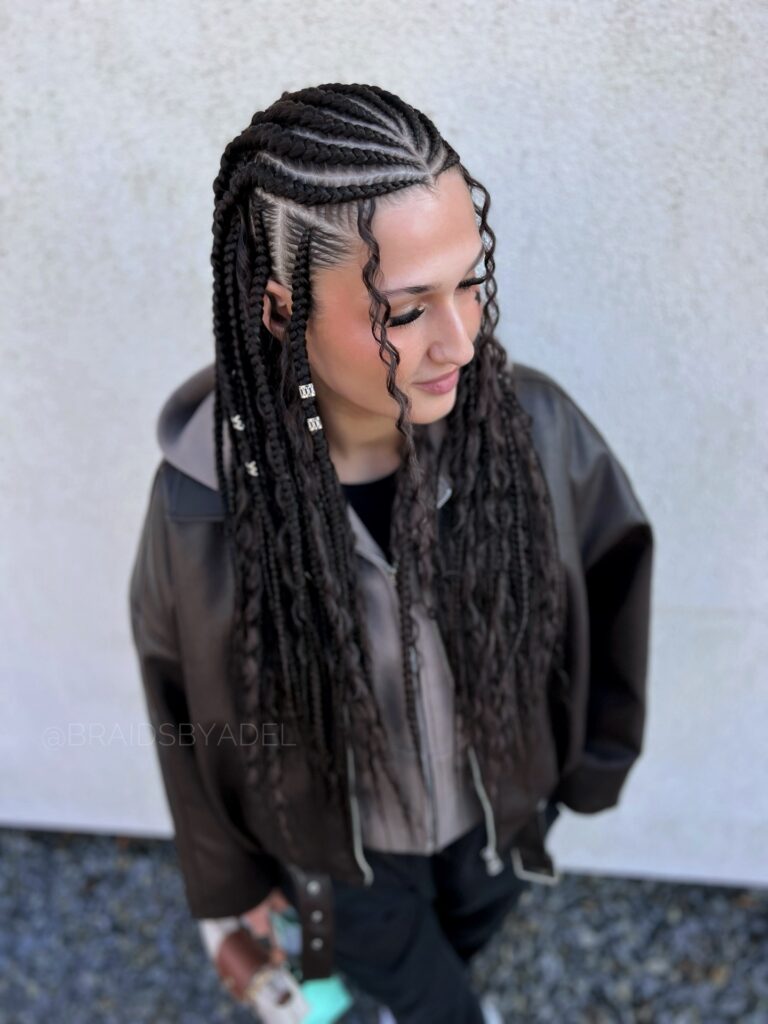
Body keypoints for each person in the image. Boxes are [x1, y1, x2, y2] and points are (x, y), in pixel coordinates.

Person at [128, 83, 654, 1024]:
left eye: (469, 281)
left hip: (501, 814)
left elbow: (617, 579)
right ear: (283, 312)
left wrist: (592, 767)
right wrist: (226, 874)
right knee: (425, 994)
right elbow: (178, 688)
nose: (459, 337)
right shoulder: (205, 496)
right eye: (406, 309)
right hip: (337, 848)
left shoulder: (538, 434)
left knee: (461, 943)